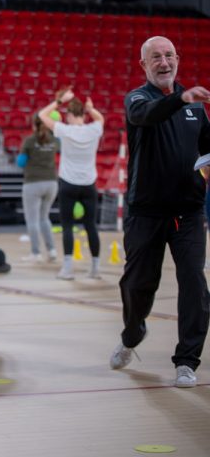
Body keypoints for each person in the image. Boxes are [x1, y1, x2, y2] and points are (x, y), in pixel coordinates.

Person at [110, 36, 210, 389]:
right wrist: (179, 98)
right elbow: (147, 116)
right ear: (144, 65)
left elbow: (207, 147)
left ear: (178, 59)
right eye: (156, 57)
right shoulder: (138, 99)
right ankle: (132, 334)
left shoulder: (197, 108)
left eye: (169, 55)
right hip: (145, 214)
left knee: (194, 283)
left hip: (189, 213)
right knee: (137, 285)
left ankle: (187, 360)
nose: (164, 62)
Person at [37, 89, 104, 280]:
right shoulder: (94, 129)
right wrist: (92, 109)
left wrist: (59, 100)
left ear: (68, 114)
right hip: (89, 184)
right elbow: (100, 119)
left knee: (67, 226)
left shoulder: (64, 129)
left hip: (68, 184)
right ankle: (95, 269)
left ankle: (67, 269)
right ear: (83, 114)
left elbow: (41, 115)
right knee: (90, 226)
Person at [17, 113, 60, 262]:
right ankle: (52, 250)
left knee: (33, 220)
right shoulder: (55, 140)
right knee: (44, 218)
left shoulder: (29, 141)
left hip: (33, 183)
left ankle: (36, 253)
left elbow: (21, 163)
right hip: (52, 183)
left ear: (33, 125)